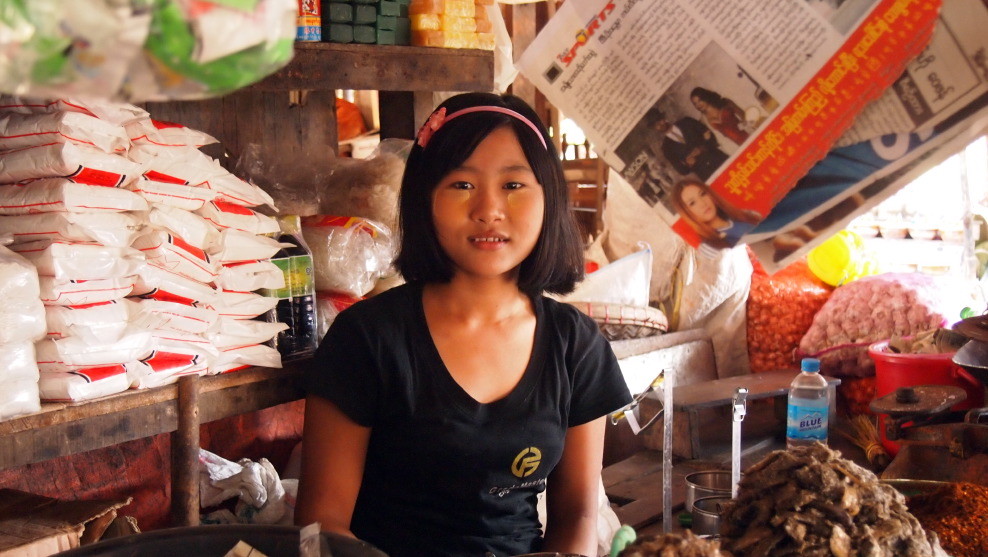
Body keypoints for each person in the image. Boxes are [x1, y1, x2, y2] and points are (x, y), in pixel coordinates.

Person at [295, 92, 633, 557]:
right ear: (423, 200)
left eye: (513, 186)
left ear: (548, 197)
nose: (489, 209)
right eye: (461, 185)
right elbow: (320, 525)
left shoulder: (576, 346)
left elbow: (577, 513)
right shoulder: (368, 338)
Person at [670, 177, 761, 249]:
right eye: (692, 203)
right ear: (687, 213)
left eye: (702, 194)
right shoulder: (711, 247)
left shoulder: (744, 215)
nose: (703, 203)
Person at [644, 108, 729, 181]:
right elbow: (682, 170)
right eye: (656, 125)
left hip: (720, 159)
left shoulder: (687, 122)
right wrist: (688, 163)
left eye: (659, 120)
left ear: (663, 117)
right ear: (654, 128)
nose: (660, 125)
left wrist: (702, 148)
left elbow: (711, 137)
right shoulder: (666, 148)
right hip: (707, 174)